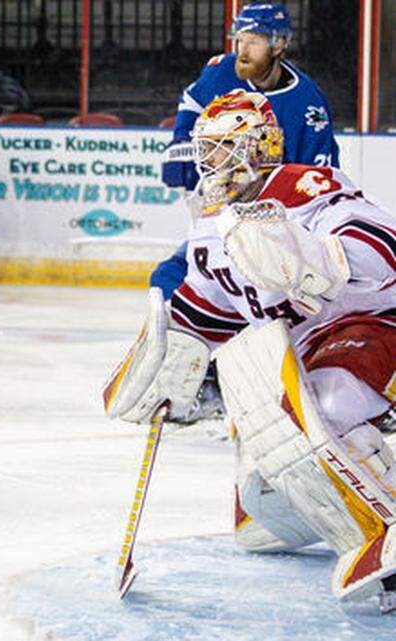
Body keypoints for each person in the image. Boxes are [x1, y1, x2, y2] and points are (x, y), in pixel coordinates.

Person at [105, 90, 396, 612]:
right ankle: (325, 510)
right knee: (265, 489)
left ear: (258, 146)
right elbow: (209, 305)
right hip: (312, 346)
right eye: (205, 148)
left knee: (327, 403)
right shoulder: (212, 222)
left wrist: (319, 260)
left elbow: (384, 250)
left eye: (222, 146)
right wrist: (170, 355)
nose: (209, 160)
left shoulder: (307, 187)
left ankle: (387, 524)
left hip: (376, 323)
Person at [153, 3, 339, 300]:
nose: (242, 50)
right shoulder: (222, 71)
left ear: (279, 44)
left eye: (253, 41)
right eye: (239, 39)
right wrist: (181, 143)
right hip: (228, 213)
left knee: (259, 289)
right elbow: (193, 100)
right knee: (169, 277)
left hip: (278, 228)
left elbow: (319, 186)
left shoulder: (308, 107)